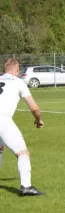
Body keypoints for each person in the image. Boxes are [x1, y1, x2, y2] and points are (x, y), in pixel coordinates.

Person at [0, 58, 45, 196]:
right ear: (17, 70)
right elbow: (34, 108)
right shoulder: (18, 82)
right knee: (23, 153)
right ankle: (26, 186)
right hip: (3, 119)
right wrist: (38, 120)